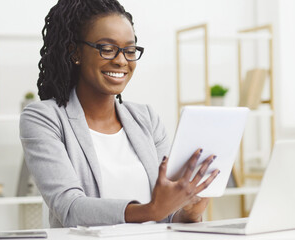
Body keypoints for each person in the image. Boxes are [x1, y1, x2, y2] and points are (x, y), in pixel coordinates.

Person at [20, 0, 220, 228]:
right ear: (75, 52)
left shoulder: (146, 119)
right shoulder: (44, 119)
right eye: (107, 48)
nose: (121, 60)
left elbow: (166, 216)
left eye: (130, 50)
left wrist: (189, 213)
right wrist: (150, 209)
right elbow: (70, 209)